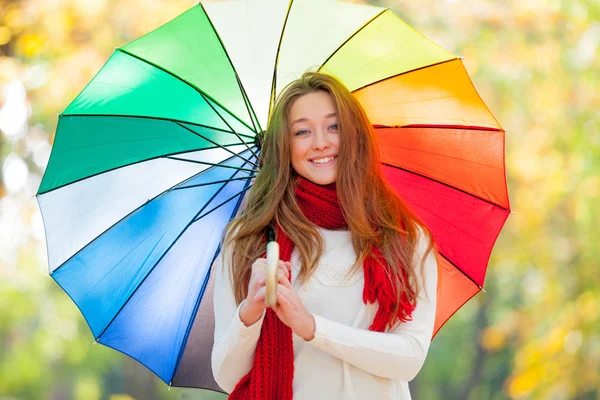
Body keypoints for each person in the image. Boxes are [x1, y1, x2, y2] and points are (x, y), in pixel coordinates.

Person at [211, 72, 438, 400]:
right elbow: (227, 375)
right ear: (284, 146)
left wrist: (313, 328)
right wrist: (251, 310)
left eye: (334, 126)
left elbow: (410, 356)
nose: (320, 142)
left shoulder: (403, 236)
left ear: (355, 134)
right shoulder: (249, 240)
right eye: (302, 131)